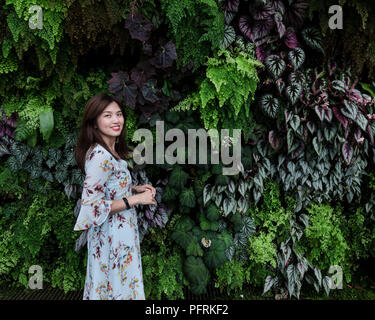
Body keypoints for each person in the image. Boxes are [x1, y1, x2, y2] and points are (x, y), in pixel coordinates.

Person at [73, 93, 156, 300]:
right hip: (111, 238)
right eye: (107, 115)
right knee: (115, 288)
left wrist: (134, 188)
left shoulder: (109, 150)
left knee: (118, 287)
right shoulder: (100, 156)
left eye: (118, 114)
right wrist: (136, 200)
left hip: (120, 235)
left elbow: (107, 187)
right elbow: (92, 205)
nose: (116, 120)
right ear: (94, 122)